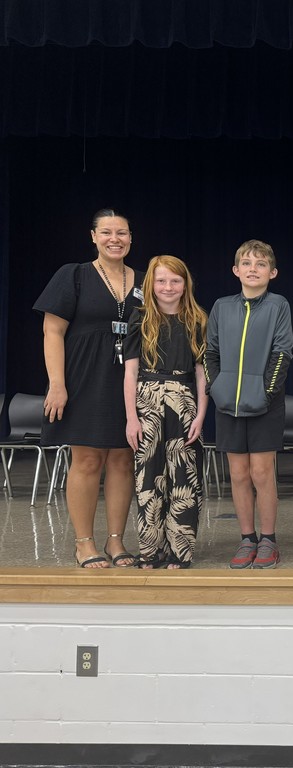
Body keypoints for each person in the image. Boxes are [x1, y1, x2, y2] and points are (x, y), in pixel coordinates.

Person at [34, 208, 143, 568]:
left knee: (123, 459)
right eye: (107, 232)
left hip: (128, 382)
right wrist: (57, 384)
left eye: (122, 233)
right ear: (93, 237)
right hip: (83, 379)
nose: (116, 239)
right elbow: (53, 332)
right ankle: (84, 542)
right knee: (87, 459)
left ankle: (115, 540)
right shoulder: (74, 275)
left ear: (131, 238)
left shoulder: (144, 281)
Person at [205, 240, 293, 569]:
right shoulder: (221, 306)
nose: (252, 268)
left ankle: (268, 539)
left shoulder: (278, 306)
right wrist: (218, 389)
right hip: (228, 404)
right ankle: (247, 538)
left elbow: (282, 352)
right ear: (236, 270)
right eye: (246, 263)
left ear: (272, 272)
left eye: (260, 264)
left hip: (265, 404)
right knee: (239, 474)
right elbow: (210, 352)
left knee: (261, 472)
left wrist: (265, 394)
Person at [123, 256, 208, 569]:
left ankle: (180, 551)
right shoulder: (140, 318)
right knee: (149, 477)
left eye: (175, 281)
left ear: (185, 284)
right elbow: (130, 373)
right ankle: (149, 550)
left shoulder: (198, 319)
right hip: (147, 400)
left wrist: (200, 415)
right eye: (161, 281)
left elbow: (202, 372)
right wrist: (132, 417)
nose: (168, 287)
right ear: (151, 284)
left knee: (183, 478)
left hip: (184, 401)